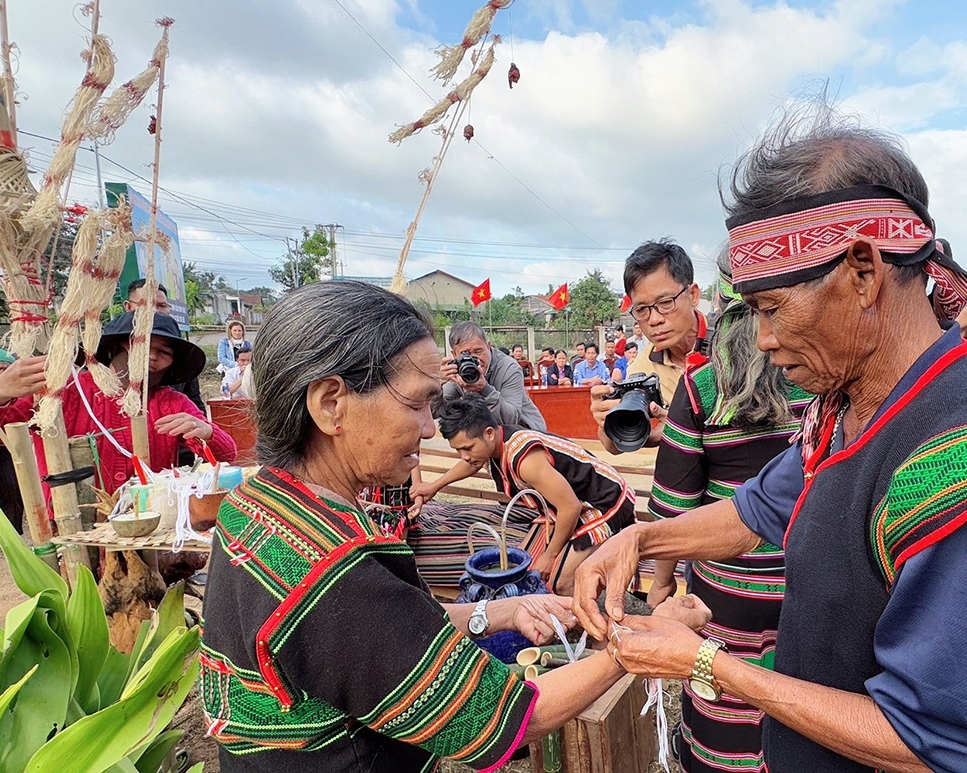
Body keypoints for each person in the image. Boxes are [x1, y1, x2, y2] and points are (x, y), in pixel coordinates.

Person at [574, 105, 967, 773]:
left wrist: (709, 664)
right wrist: (640, 540)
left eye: (771, 308)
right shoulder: (849, 410)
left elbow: (931, 741)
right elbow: (755, 510)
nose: (763, 340)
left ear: (862, 272)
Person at [199, 280, 712, 772]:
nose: (429, 428)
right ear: (332, 404)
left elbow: (391, 635)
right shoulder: (333, 575)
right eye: (417, 403)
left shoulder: (255, 502)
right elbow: (508, 717)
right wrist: (645, 642)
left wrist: (501, 610)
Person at [647, 252, 812, 773]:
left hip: (726, 592)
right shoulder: (822, 380)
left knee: (723, 698)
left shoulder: (702, 388)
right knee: (802, 704)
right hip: (809, 586)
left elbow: (672, 510)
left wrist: (661, 581)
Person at [414, 395, 637, 595]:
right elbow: (470, 465)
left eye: (467, 448)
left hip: (606, 503)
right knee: (524, 566)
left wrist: (549, 557)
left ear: (489, 433)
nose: (464, 456)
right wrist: (435, 485)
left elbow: (570, 507)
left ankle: (597, 631)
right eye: (458, 450)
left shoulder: (525, 460)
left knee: (562, 580)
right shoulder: (493, 445)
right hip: (569, 504)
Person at [0, 312, 237, 495]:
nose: (152, 356)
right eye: (142, 345)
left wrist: (206, 432)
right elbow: (7, 426)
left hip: (149, 530)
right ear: (115, 347)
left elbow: (227, 454)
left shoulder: (170, 402)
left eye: (164, 352)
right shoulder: (66, 390)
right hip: (73, 529)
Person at [590, 239, 708, 454]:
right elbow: (613, 448)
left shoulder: (732, 344)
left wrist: (677, 427)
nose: (654, 320)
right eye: (642, 309)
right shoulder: (644, 368)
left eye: (665, 303)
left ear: (692, 295)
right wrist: (606, 418)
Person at [435, 321, 547, 432]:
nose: (475, 360)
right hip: (489, 433)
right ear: (454, 354)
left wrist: (485, 390)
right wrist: (436, 384)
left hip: (526, 432)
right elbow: (436, 413)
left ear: (488, 346)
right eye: (465, 354)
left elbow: (511, 419)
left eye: (478, 351)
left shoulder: (509, 368)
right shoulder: (458, 369)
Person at [126, 279, 204, 412]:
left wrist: (202, 427)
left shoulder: (179, 350)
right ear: (128, 307)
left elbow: (195, 404)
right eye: (146, 304)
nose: (154, 311)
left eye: (161, 305)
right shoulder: (113, 346)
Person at [0, 349, 24, 533]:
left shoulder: (21, 397)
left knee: (13, 494)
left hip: (7, 450)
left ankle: (13, 535)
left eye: (5, 369)